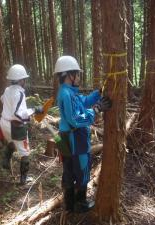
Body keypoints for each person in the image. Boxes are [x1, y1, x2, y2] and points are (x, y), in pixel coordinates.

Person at [54, 56, 112, 213]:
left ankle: (70, 204)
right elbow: (75, 119)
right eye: (77, 74)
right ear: (68, 75)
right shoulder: (67, 94)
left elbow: (83, 102)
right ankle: (80, 203)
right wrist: (96, 110)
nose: (79, 77)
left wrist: (98, 94)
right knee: (82, 168)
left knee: (69, 170)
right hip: (75, 139)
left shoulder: (68, 92)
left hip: (68, 139)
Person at [0, 64, 43, 185]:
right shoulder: (19, 94)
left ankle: (5, 161)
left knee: (11, 142)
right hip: (15, 126)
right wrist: (34, 110)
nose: (25, 81)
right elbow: (18, 114)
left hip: (4, 123)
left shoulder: (8, 90)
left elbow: (2, 99)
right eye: (24, 79)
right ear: (21, 80)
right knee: (25, 152)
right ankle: (24, 179)